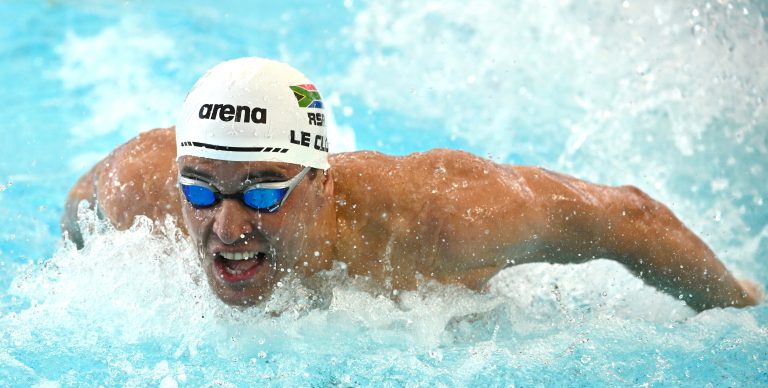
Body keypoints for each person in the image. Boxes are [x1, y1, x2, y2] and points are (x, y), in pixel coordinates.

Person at [61, 57, 762, 311]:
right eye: (202, 192)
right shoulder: (141, 188)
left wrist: (737, 309)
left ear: (319, 179)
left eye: (265, 193)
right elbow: (77, 213)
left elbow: (630, 219)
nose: (229, 226)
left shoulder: (439, 220)